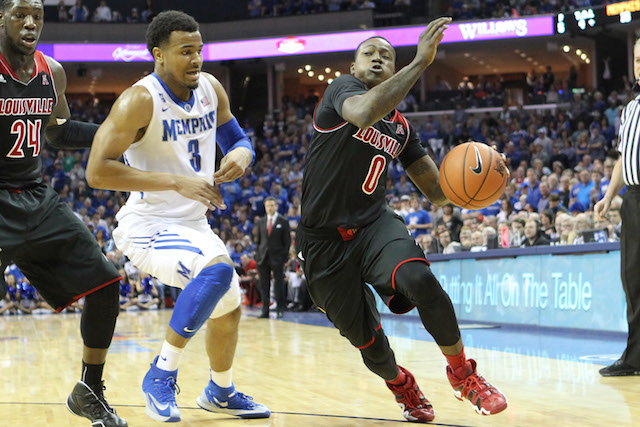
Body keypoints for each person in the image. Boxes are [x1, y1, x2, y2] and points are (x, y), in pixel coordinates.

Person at [295, 18, 507, 424]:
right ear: (354, 67)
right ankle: (402, 385)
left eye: (386, 55)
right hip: (322, 242)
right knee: (369, 343)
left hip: (374, 225)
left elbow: (441, 192)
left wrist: (488, 178)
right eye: (369, 53)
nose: (377, 58)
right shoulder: (342, 90)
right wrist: (421, 62)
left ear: (392, 69)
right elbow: (362, 113)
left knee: (420, 279)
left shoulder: (402, 128)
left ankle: (464, 374)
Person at [86, 10, 270, 422]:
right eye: (185, 51)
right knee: (219, 272)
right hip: (147, 226)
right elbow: (97, 171)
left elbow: (236, 137)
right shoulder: (139, 99)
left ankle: (220, 392)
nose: (196, 59)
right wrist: (175, 182)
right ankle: (160, 373)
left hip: (193, 225)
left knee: (229, 307)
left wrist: (242, 153)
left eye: (199, 50)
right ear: (159, 55)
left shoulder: (211, 88)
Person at [0, 1, 126, 425]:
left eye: (37, 14)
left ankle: (89, 389)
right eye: (20, 14)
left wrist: (115, 136)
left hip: (35, 195)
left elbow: (57, 131)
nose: (31, 22)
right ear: (1, 18)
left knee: (106, 281)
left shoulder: (50, 70)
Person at [594, 37, 640, 377]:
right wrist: (609, 196)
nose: (639, 65)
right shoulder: (631, 109)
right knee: (634, 280)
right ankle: (636, 357)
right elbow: (624, 159)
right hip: (634, 202)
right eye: (637, 60)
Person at [255, 196, 291, 318]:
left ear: (276, 206)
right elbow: (258, 241)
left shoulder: (283, 221)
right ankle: (265, 310)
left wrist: (284, 258)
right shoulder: (261, 221)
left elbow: (287, 243)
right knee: (264, 285)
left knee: (279, 285)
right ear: (265, 207)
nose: (270, 208)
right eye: (268, 206)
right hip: (263, 258)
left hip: (277, 258)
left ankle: (280, 309)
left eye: (272, 205)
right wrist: (257, 255)